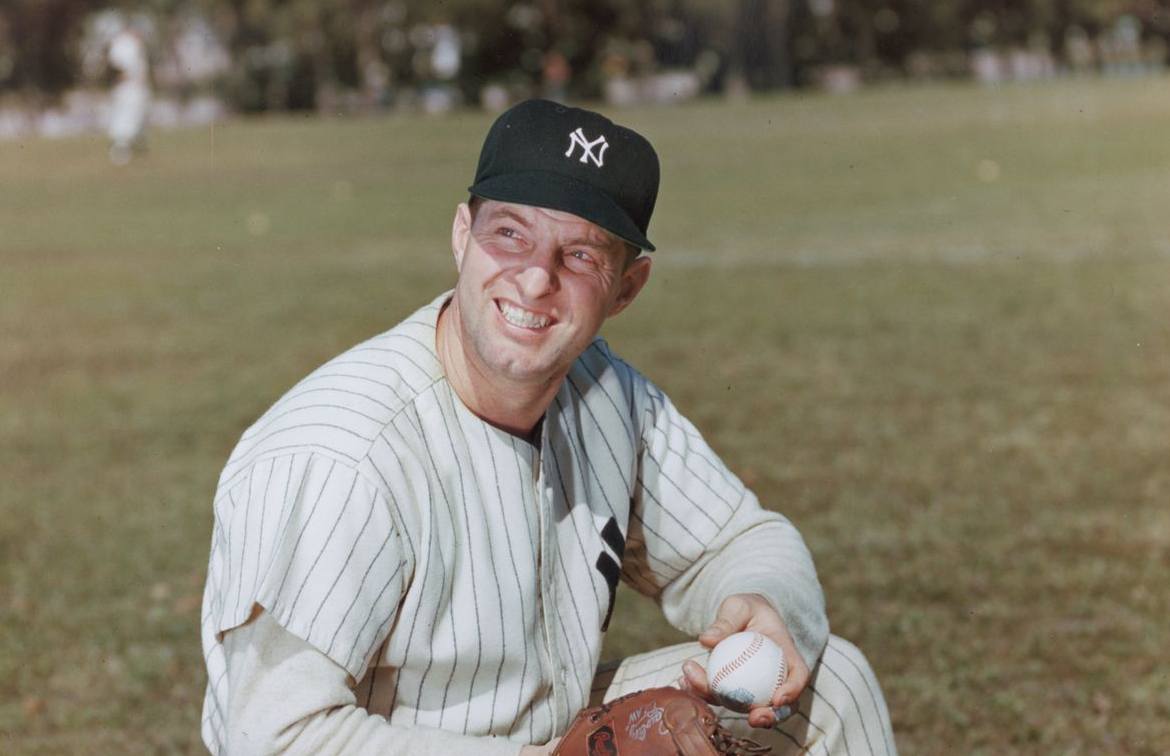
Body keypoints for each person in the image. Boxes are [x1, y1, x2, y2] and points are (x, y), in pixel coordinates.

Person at [199, 99, 896, 755]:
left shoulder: (606, 394)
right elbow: (275, 738)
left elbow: (739, 541)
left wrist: (763, 608)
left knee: (832, 688)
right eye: (510, 234)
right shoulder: (340, 457)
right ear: (461, 235)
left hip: (547, 732)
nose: (536, 281)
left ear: (627, 288)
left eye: (582, 255)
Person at [106, 21, 150, 165]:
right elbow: (117, 68)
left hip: (135, 87)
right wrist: (128, 78)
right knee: (125, 118)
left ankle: (134, 144)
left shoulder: (133, 44)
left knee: (137, 117)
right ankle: (120, 150)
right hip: (127, 87)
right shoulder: (122, 44)